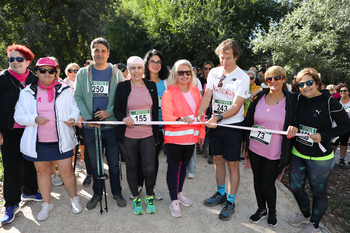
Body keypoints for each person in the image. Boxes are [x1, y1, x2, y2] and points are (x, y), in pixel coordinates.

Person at [14, 57, 82, 221]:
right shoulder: (26, 92)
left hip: (62, 140)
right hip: (38, 142)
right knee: (42, 172)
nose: (46, 73)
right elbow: (18, 116)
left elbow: (75, 109)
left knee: (67, 172)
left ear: (56, 72)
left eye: (50, 70)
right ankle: (47, 203)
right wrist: (34, 119)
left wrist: (72, 118)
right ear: (36, 72)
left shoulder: (64, 89)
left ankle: (74, 199)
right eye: (42, 70)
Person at [288, 68, 350, 233]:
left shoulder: (330, 102)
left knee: (317, 191)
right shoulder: (298, 98)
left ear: (317, 83)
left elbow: (346, 125)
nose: (305, 87)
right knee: (295, 187)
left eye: (309, 83)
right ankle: (306, 214)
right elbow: (291, 116)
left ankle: (314, 224)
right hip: (298, 153)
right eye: (301, 84)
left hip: (320, 157)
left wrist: (323, 135)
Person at [197, 39, 249, 221]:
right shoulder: (214, 72)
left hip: (232, 125)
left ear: (236, 56)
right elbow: (208, 95)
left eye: (228, 58)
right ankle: (221, 193)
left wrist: (218, 117)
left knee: (232, 164)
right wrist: (199, 113)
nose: (224, 62)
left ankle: (231, 201)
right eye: (221, 58)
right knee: (218, 159)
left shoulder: (243, 77)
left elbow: (236, 106)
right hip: (215, 124)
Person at [74, 37, 126, 210]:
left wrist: (108, 112)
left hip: (111, 126)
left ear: (108, 53)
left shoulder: (115, 72)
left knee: (113, 163)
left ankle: (117, 192)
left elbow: (121, 97)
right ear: (91, 52)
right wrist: (89, 118)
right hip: (91, 128)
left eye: (103, 50)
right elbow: (78, 97)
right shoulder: (83, 73)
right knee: (95, 165)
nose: (100, 54)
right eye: (96, 50)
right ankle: (97, 194)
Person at [243, 66, 298, 227]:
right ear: (265, 81)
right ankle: (261, 209)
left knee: (267, 182)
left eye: (277, 78)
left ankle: (272, 210)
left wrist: (295, 127)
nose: (273, 81)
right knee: (257, 180)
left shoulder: (292, 100)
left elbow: (296, 121)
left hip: (275, 151)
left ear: (284, 79)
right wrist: (246, 145)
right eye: (269, 79)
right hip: (255, 147)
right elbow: (250, 122)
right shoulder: (259, 96)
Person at [0, 44, 42, 225]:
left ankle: (30, 191)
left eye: (19, 59)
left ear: (28, 61)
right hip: (8, 130)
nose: (15, 62)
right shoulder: (2, 79)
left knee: (30, 161)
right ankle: (11, 204)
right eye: (11, 59)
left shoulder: (35, 79)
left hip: (31, 129)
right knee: (11, 167)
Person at [114, 56, 159, 215]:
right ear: (129, 70)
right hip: (129, 136)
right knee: (132, 167)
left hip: (148, 134)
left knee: (149, 168)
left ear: (144, 69)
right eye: (133, 68)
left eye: (139, 68)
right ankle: (135, 197)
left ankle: (149, 195)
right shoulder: (122, 86)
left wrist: (156, 135)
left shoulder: (151, 86)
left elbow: (154, 112)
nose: (136, 71)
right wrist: (123, 118)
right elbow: (117, 109)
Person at [161, 59, 205, 218]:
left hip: (191, 137)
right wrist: (179, 119)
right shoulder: (169, 92)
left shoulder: (195, 90)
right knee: (173, 168)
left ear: (192, 74)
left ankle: (179, 192)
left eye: (188, 72)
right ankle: (173, 199)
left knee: (184, 166)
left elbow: (201, 114)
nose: (185, 75)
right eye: (181, 73)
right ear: (175, 74)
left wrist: (202, 133)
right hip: (174, 137)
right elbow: (166, 115)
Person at [138, 49, 169, 200]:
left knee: (154, 159)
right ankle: (138, 185)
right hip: (142, 126)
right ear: (147, 64)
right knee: (140, 157)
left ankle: (152, 186)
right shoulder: (140, 81)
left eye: (158, 62)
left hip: (160, 127)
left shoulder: (167, 83)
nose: (155, 65)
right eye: (152, 61)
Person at [332, 85, 350, 165]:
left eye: (345, 90)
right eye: (341, 91)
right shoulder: (336, 100)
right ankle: (331, 158)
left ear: (348, 92)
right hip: (336, 124)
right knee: (334, 142)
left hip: (347, 125)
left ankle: (341, 159)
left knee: (344, 142)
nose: (343, 92)